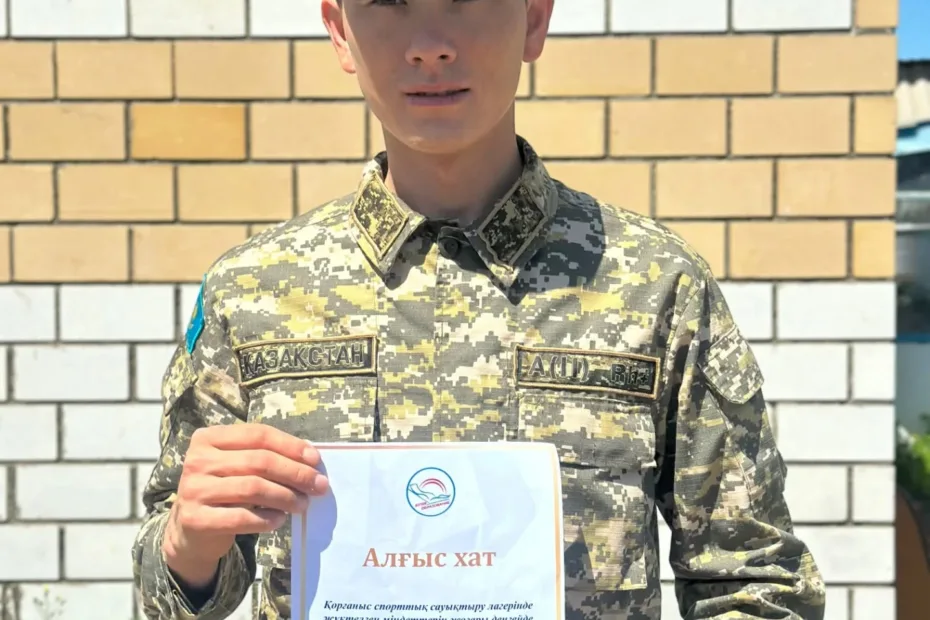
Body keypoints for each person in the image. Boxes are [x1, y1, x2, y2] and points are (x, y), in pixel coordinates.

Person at [131, 1, 827, 618]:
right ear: (339, 30)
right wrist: (188, 547)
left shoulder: (656, 286)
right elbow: (170, 594)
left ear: (534, 18)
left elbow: (755, 582)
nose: (430, 44)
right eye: (389, 1)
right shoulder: (251, 293)